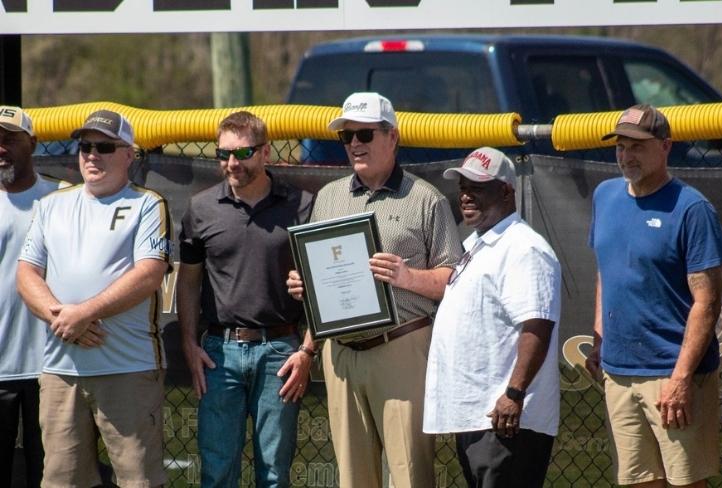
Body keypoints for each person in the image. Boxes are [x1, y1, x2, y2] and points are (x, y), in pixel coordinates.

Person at [287, 92, 462, 488]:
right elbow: (323, 278)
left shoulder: (424, 198)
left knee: (409, 476)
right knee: (353, 478)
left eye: (364, 134)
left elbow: (454, 277)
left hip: (400, 346)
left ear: (392, 137)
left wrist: (408, 277)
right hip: (341, 355)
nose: (354, 145)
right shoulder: (329, 197)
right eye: (346, 137)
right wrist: (307, 289)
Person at [16, 109, 172, 487]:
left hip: (127, 368)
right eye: (85, 146)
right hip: (60, 370)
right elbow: (26, 274)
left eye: (104, 146)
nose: (91, 155)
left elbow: (149, 273)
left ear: (129, 155)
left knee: (139, 480)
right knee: (61, 481)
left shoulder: (147, 204)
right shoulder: (52, 203)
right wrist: (65, 320)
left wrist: (84, 313)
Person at [585, 104, 722, 487]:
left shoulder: (692, 209)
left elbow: (707, 301)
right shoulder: (605, 195)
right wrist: (600, 341)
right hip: (619, 372)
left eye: (637, 146)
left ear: (666, 146)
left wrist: (681, 378)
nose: (626, 155)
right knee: (637, 482)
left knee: (686, 481)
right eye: (620, 146)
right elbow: (606, 271)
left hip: (672, 374)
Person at [177, 111, 315, 487]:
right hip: (219, 352)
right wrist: (189, 343)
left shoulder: (301, 206)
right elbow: (189, 281)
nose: (232, 163)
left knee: (273, 473)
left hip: (281, 353)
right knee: (218, 470)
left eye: (242, 153)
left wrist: (307, 351)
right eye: (223, 154)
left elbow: (323, 285)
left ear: (266, 152)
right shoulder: (201, 208)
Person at [423, 147, 561, 488]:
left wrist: (513, 394)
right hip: (482, 416)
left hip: (507, 418)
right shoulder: (477, 244)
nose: (466, 195)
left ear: (506, 191)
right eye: (463, 187)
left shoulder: (524, 248)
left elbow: (537, 325)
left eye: (478, 187)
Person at [0, 106, 67, 487]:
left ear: (34, 143)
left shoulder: (61, 198)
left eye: (10, 138)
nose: (1, 147)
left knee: (53, 476)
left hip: (52, 367)